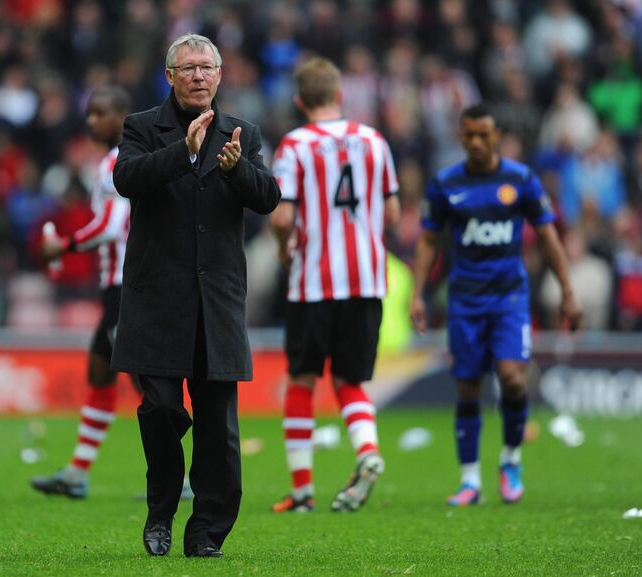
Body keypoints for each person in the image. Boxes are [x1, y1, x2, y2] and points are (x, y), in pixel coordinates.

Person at [110, 34, 280, 558]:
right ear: (170, 76)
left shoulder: (241, 133)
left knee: (218, 429)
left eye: (207, 67)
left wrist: (235, 169)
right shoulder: (143, 127)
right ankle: (160, 510)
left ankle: (206, 533)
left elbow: (269, 197)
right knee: (160, 409)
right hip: (156, 297)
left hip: (216, 301)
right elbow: (126, 179)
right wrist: (180, 152)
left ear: (221, 75)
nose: (199, 76)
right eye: (188, 68)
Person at [410, 103, 581, 506]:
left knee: (514, 378)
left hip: (509, 297)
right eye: (468, 135)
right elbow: (429, 239)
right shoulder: (446, 183)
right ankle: (470, 480)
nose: (475, 142)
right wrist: (418, 292)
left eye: (483, 135)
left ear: (496, 137)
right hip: (465, 300)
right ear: (460, 136)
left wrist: (568, 292)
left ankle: (511, 459)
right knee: (468, 386)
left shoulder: (520, 179)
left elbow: (548, 236)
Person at [269, 58, 400, 513]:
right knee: (351, 379)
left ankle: (302, 491)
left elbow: (283, 215)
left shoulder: (295, 145)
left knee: (302, 380)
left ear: (299, 101)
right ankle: (368, 452)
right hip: (365, 280)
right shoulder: (374, 140)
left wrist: (284, 246)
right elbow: (394, 212)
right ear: (340, 95)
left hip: (314, 282)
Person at [30, 86, 137, 499]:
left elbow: (109, 226)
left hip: (125, 287)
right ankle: (77, 472)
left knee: (148, 387)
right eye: (89, 114)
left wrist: (65, 245)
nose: (91, 121)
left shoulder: (116, 161)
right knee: (100, 372)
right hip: (118, 288)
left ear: (122, 118)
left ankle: (180, 480)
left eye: (100, 113)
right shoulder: (122, 160)